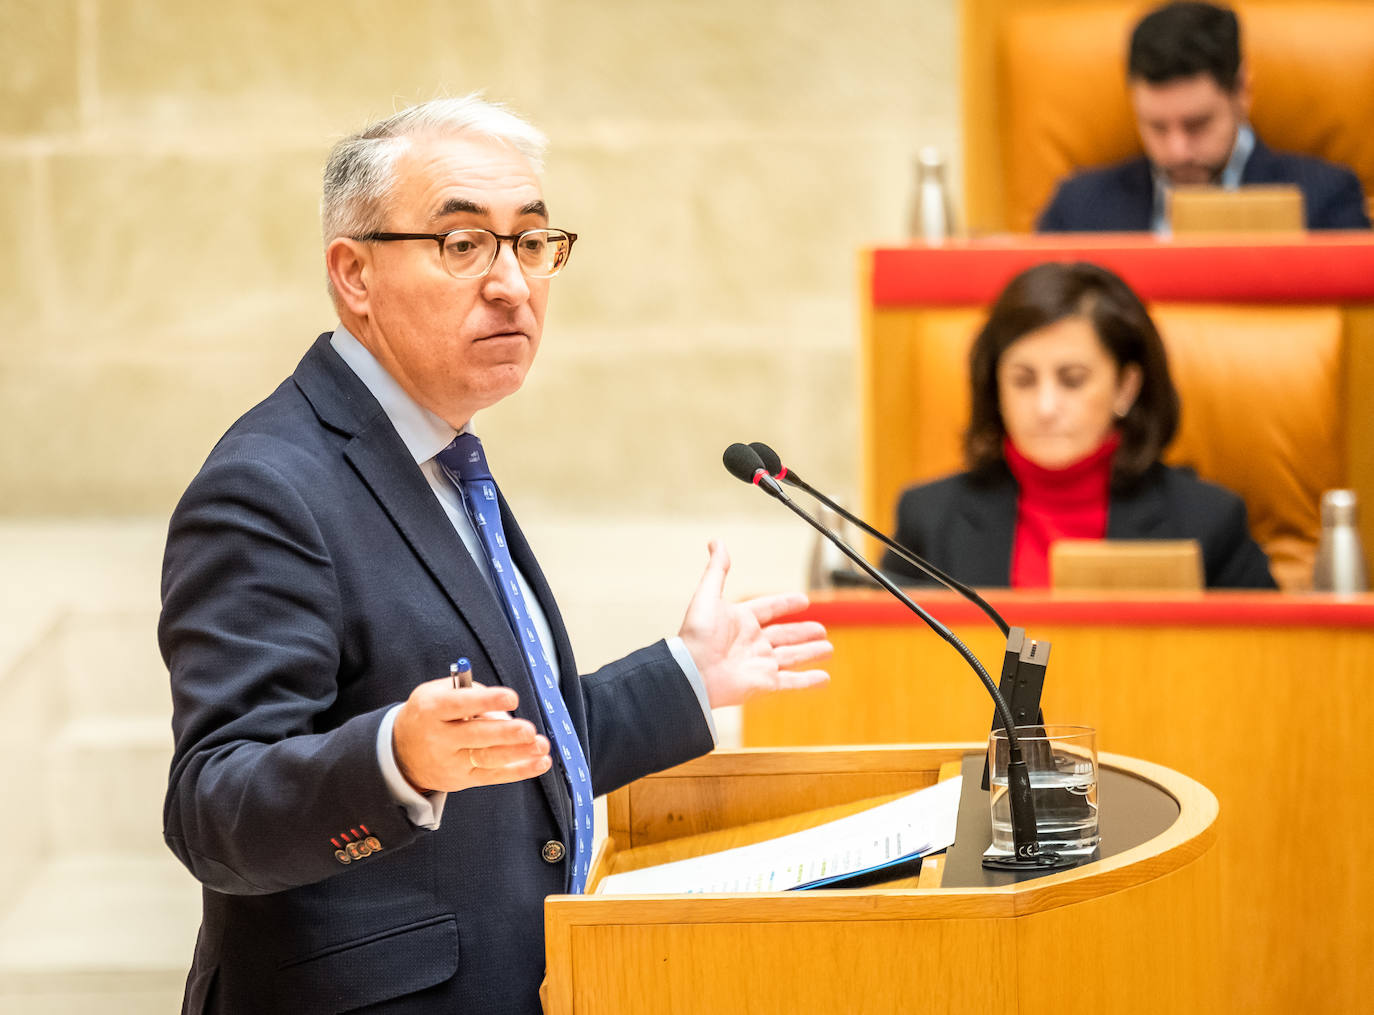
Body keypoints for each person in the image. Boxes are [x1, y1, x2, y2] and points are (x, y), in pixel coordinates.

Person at [159, 95, 832, 1014]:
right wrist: (391, 759)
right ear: (353, 273)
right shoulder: (271, 486)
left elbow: (504, 746)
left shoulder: (437, 452)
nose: (512, 281)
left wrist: (686, 673)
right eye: (463, 244)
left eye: (532, 241)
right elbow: (213, 812)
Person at [881, 261, 1276, 589]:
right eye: (1023, 380)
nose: (1046, 406)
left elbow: (1270, 666)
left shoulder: (1207, 522)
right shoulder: (929, 520)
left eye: (1072, 380)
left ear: (1126, 387)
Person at [1036, 1, 1370, 233]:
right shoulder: (1078, 208)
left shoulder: (1326, 198)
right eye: (1156, 126)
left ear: (1242, 91)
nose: (1177, 150)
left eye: (1197, 124)